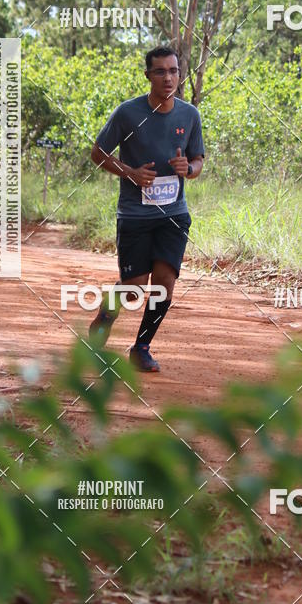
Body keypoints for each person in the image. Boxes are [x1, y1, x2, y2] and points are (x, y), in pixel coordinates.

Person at [88, 46, 205, 371]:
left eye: (174, 71)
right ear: (148, 75)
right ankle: (106, 315)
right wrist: (131, 173)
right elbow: (98, 153)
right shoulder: (128, 113)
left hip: (174, 214)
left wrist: (188, 169)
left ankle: (141, 348)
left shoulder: (189, 115)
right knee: (135, 287)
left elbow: (198, 160)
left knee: (164, 283)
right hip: (135, 215)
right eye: (160, 71)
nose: (168, 78)